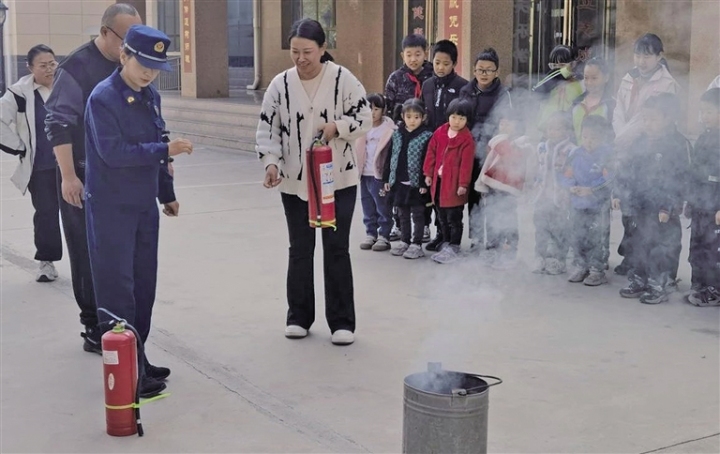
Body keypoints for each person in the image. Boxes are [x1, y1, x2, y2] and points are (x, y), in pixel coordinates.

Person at [256, 19, 371, 346]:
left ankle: (341, 322)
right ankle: (299, 317)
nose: (301, 58)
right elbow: (268, 130)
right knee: (300, 249)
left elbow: (364, 117)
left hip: (339, 180)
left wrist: (338, 125)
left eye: (308, 51)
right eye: (295, 51)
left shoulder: (343, 79)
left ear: (323, 49)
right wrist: (271, 163)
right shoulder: (280, 85)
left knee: (337, 250)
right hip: (294, 181)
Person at [44, 3, 142, 354]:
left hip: (122, 178)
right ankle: (92, 325)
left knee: (121, 254)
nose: (131, 47)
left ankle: (119, 324)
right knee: (87, 252)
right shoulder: (77, 67)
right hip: (84, 176)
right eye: (125, 39)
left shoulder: (132, 65)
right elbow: (57, 125)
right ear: (104, 33)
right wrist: (69, 176)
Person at [612, 34, 680, 277]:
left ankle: (656, 269)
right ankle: (631, 257)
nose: (641, 61)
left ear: (659, 56)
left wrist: (623, 137)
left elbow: (649, 118)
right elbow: (618, 108)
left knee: (651, 212)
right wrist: (620, 134)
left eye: (647, 55)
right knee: (629, 207)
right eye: (638, 54)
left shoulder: (666, 83)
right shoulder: (628, 78)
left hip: (648, 147)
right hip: (625, 146)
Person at [613, 94, 691, 303]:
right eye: (645, 118)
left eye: (653, 119)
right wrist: (620, 194)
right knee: (638, 243)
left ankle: (661, 283)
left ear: (669, 118)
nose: (648, 124)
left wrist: (669, 206)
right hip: (640, 205)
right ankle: (639, 278)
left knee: (662, 245)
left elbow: (681, 178)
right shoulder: (639, 141)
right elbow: (627, 170)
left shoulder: (678, 144)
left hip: (663, 209)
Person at [1, 45, 62, 282]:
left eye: (52, 63)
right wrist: (20, 146)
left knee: (82, 214)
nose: (49, 69)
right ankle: (47, 262)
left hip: (74, 163)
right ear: (30, 68)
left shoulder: (67, 86)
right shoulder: (19, 93)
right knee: (46, 214)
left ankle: (88, 262)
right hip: (42, 166)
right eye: (43, 65)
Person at [460, 48, 513, 250]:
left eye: (489, 70)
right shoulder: (466, 90)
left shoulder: (504, 94)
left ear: (497, 72)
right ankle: (476, 237)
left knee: (493, 196)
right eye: (480, 69)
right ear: (474, 70)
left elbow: (509, 122)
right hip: (471, 151)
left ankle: (494, 238)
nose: (484, 74)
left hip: (494, 153)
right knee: (473, 195)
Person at [385, 33, 434, 243]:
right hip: (401, 136)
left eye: (418, 54)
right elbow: (388, 108)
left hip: (425, 138)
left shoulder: (433, 74)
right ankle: (399, 224)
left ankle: (424, 227)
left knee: (423, 183)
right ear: (402, 55)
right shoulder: (396, 78)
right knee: (401, 181)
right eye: (409, 54)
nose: (413, 59)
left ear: (426, 53)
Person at [421, 39, 469, 251]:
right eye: (437, 62)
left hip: (454, 148)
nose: (440, 68)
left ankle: (452, 238)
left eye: (446, 63)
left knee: (449, 196)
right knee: (435, 193)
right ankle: (439, 234)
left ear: (454, 63)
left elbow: (465, 117)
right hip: (433, 145)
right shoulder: (427, 84)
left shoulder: (462, 86)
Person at [475, 110, 533, 270]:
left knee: (509, 220)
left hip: (509, 189)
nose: (505, 124)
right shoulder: (496, 142)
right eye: (502, 122)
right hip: (493, 187)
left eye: (509, 122)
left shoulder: (521, 143)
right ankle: (493, 250)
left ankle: (510, 252)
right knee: (492, 218)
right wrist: (483, 183)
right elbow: (488, 165)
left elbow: (516, 161)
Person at [561, 115, 614, 286]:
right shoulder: (575, 153)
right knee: (577, 235)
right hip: (577, 204)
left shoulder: (607, 155)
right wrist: (571, 187)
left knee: (596, 236)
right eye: (585, 137)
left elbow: (610, 178)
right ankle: (580, 265)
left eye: (594, 137)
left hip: (598, 205)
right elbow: (566, 173)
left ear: (603, 137)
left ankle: (596, 269)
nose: (588, 141)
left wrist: (591, 189)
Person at [423, 98, 475, 264]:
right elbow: (431, 153)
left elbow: (466, 164)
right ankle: (445, 241)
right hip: (439, 184)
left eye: (461, 118)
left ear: (467, 120)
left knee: (454, 218)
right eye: (454, 117)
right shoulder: (440, 132)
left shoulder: (467, 139)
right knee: (441, 216)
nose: (457, 121)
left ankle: (454, 245)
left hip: (453, 186)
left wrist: (463, 184)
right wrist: (428, 173)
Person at [383, 98, 433, 260]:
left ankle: (416, 244)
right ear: (403, 116)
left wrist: (424, 181)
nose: (412, 120)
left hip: (417, 184)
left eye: (416, 117)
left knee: (418, 214)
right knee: (402, 213)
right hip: (399, 182)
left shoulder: (426, 136)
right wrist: (387, 179)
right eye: (409, 116)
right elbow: (390, 157)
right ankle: (404, 240)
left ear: (423, 117)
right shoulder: (397, 134)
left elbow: (428, 160)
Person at [686, 88, 720, 307]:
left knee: (713, 250)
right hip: (700, 204)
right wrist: (691, 200)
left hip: (715, 207)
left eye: (710, 111)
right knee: (697, 246)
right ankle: (698, 285)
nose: (704, 116)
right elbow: (695, 172)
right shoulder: (704, 137)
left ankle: (714, 290)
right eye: (703, 112)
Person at [532, 111, 577, 275]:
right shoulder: (541, 147)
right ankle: (540, 256)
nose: (553, 132)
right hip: (542, 196)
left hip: (560, 198)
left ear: (566, 130)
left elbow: (573, 174)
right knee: (541, 228)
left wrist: (567, 190)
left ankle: (558, 260)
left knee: (559, 229)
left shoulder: (571, 150)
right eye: (550, 128)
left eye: (557, 129)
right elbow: (538, 168)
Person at [355, 93, 396, 252]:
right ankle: (370, 233)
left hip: (379, 175)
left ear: (383, 110)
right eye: (368, 108)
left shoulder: (389, 130)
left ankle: (384, 235)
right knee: (367, 205)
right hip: (364, 174)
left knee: (383, 206)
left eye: (376, 108)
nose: (372, 112)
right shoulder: (361, 128)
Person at [532, 45, 584, 130]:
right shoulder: (550, 81)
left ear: (573, 65)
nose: (557, 69)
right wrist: (563, 72)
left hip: (571, 128)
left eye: (562, 65)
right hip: (548, 129)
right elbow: (537, 91)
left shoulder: (581, 83)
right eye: (554, 66)